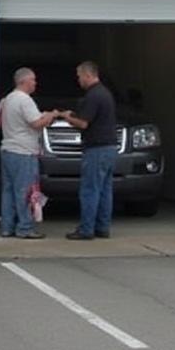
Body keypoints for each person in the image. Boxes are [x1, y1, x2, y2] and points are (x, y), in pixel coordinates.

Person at [59, 61, 117, 240]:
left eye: (79, 76)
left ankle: (86, 230)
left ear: (87, 75)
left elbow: (84, 123)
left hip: (96, 149)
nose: (78, 80)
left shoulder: (93, 95)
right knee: (105, 189)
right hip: (110, 148)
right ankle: (102, 227)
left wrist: (68, 117)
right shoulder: (105, 93)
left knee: (90, 189)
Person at [0, 67, 59, 239]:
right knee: (25, 191)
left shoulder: (8, 99)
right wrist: (51, 115)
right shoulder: (25, 100)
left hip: (8, 149)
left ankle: (7, 227)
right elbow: (36, 123)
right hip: (24, 152)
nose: (35, 83)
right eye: (33, 80)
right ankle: (25, 228)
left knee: (8, 191)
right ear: (23, 81)